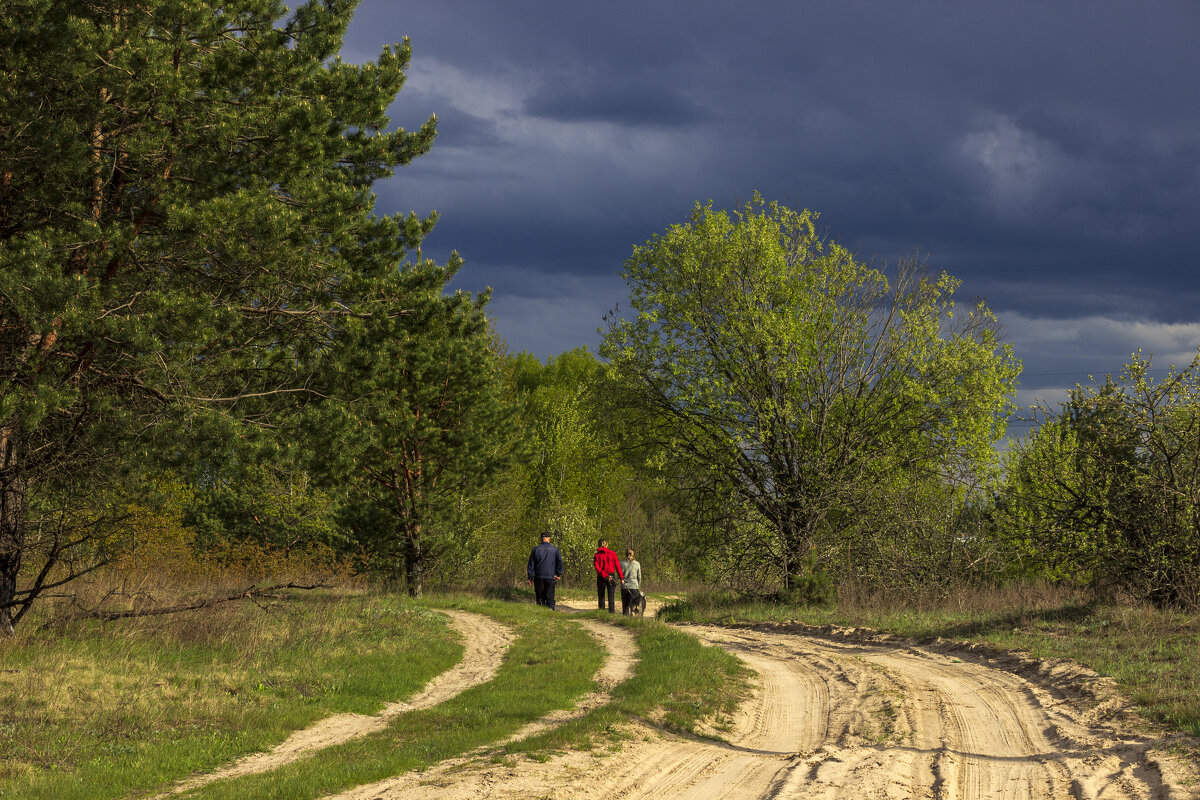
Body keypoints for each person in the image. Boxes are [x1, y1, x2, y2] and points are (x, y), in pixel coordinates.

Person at [527, 531, 562, 610]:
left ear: (541, 539)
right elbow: (559, 562)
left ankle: (540, 611)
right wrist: (558, 574)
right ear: (549, 539)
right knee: (550, 595)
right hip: (550, 576)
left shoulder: (535, 549)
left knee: (539, 596)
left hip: (538, 576)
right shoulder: (555, 549)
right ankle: (550, 610)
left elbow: (531, 565)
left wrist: (530, 577)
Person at [593, 537, 623, 613]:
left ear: (599, 545)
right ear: (607, 544)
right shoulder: (613, 553)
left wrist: (604, 575)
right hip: (611, 575)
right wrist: (621, 577)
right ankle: (611, 612)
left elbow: (597, 567)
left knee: (601, 595)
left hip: (601, 576)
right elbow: (617, 566)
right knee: (611, 595)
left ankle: (601, 612)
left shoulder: (597, 555)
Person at [620, 548, 643, 616]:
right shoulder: (637, 564)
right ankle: (633, 620)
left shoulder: (621, 563)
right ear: (633, 555)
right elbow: (639, 577)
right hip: (634, 587)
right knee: (634, 606)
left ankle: (625, 619)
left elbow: (619, 575)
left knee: (625, 605)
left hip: (624, 587)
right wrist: (638, 586)